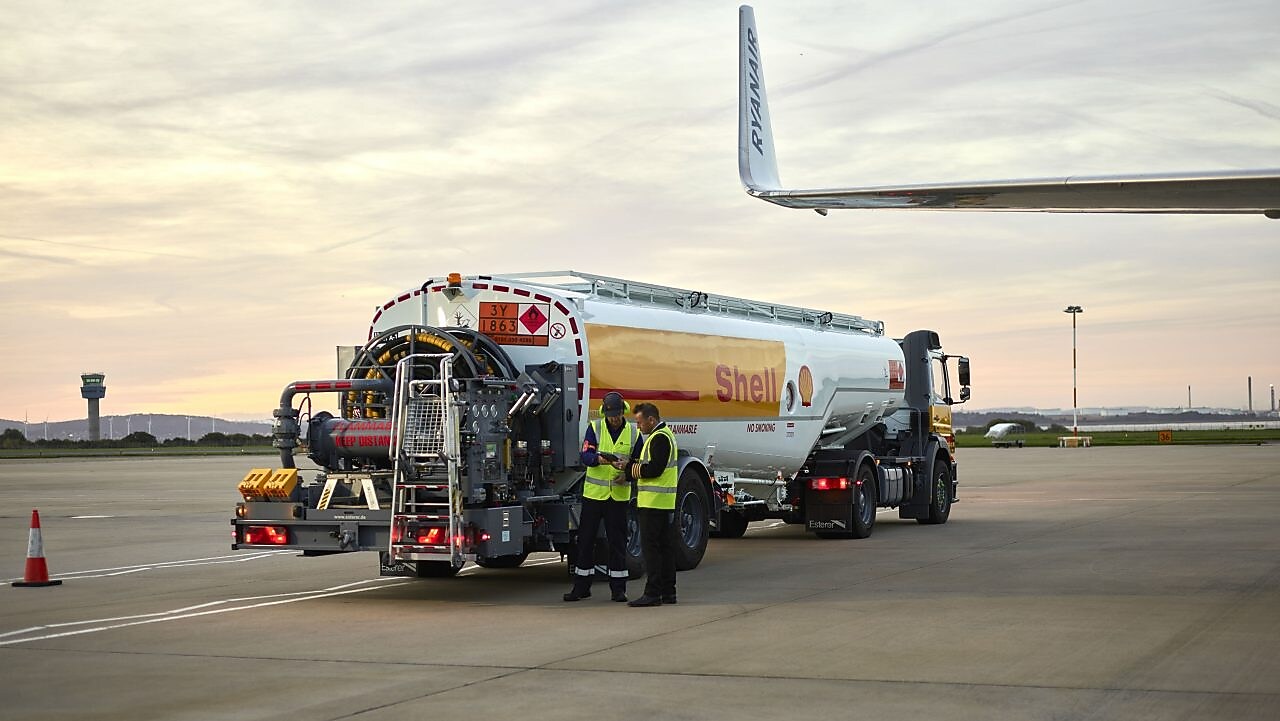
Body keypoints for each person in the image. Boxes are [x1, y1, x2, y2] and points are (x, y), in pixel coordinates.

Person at [564, 391, 638, 602]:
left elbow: (640, 462)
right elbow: (585, 456)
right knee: (586, 541)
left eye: (616, 414)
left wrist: (628, 475)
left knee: (618, 543)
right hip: (594, 497)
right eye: (610, 415)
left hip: (618, 497)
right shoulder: (595, 427)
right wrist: (601, 460)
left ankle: (618, 589)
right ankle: (581, 587)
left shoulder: (633, 433)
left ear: (623, 411)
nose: (613, 418)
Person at [626, 402, 679, 607]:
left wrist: (630, 469)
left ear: (651, 420)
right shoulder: (664, 435)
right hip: (663, 503)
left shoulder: (659, 438)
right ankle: (668, 592)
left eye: (639, 422)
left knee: (652, 550)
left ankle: (653, 593)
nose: (638, 426)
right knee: (665, 548)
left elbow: (655, 469)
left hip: (654, 503)